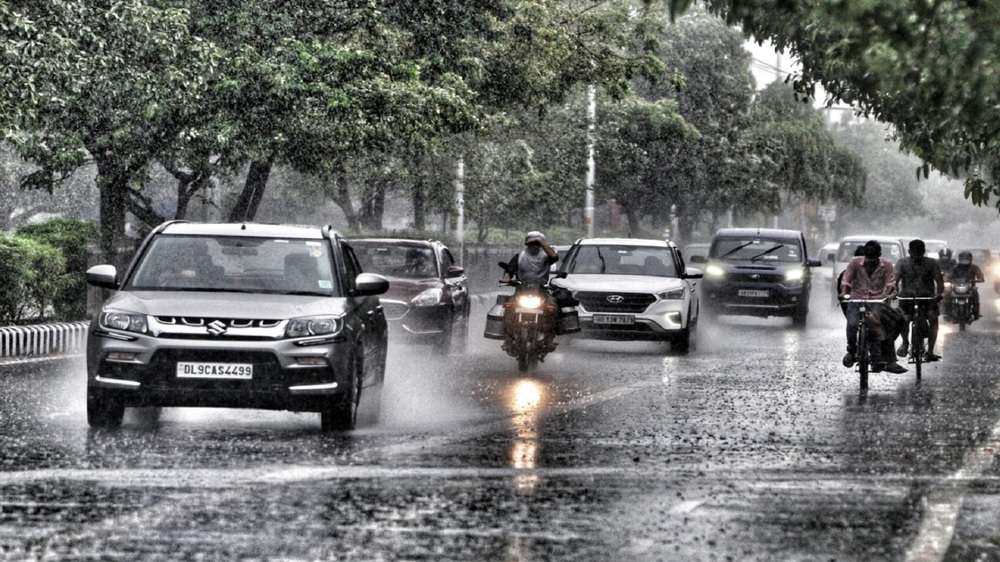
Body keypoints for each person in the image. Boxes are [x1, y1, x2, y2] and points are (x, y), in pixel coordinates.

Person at [841, 240, 897, 372]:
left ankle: (876, 357)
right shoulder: (854, 263)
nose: (870, 262)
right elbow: (846, 280)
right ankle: (851, 350)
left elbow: (890, 283)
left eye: (874, 259)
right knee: (852, 324)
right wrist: (844, 293)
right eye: (868, 259)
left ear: (879, 256)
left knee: (875, 325)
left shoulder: (887, 265)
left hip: (877, 300)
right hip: (856, 299)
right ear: (864, 256)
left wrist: (887, 294)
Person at [895, 239, 945, 362]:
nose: (917, 255)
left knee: (933, 319)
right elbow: (895, 280)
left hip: (927, 299)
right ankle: (905, 343)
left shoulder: (932, 263)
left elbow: (939, 281)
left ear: (923, 252)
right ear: (909, 251)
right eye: (914, 252)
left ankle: (930, 351)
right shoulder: (902, 263)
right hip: (907, 299)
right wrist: (894, 292)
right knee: (904, 319)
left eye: (919, 252)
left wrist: (939, 294)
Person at [949, 250, 985, 319]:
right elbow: (949, 275)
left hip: (970, 287)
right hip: (956, 286)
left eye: (966, 258)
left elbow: (980, 275)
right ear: (959, 259)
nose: (964, 260)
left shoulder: (974, 267)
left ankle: (976, 312)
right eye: (963, 258)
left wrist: (980, 279)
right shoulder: (955, 267)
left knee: (975, 293)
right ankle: (947, 311)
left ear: (970, 259)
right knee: (947, 293)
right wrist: (947, 279)